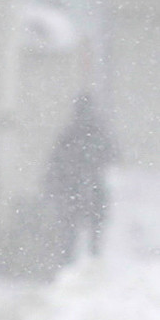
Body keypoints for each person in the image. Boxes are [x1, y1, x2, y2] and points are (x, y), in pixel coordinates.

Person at [41, 91, 111, 267]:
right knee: (93, 233)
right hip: (89, 187)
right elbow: (111, 156)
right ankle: (93, 264)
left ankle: (71, 265)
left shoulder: (70, 132)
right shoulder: (97, 131)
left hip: (72, 189)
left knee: (70, 232)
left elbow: (56, 161)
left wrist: (51, 184)